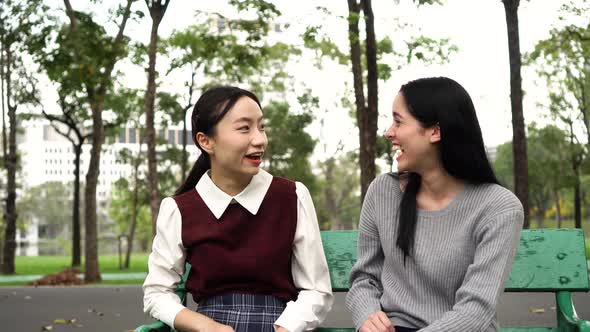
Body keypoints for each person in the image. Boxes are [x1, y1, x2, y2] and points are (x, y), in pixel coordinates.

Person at [143, 86, 333, 332]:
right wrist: (204, 326)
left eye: (261, 127)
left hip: (281, 325)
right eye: (245, 128)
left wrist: (285, 328)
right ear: (205, 141)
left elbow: (316, 289)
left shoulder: (292, 197)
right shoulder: (180, 209)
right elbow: (157, 292)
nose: (260, 139)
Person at [346, 77, 524, 332]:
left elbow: (475, 311)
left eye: (398, 121)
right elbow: (365, 278)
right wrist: (367, 315)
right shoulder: (383, 192)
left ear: (435, 131)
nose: (389, 132)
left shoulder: (499, 208)